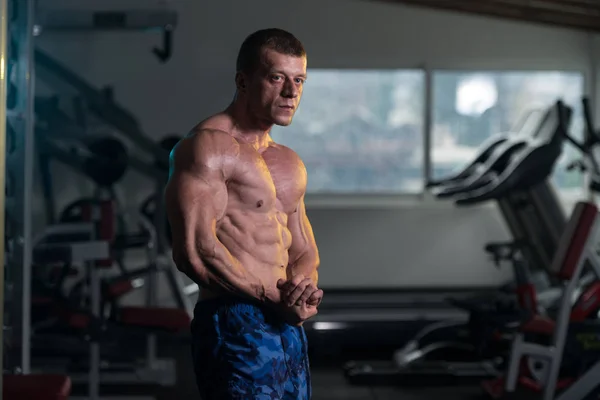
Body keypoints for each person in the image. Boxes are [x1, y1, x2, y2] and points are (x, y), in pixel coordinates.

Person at [165, 28, 323, 399]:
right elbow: (195, 251)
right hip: (234, 318)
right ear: (243, 81)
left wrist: (302, 291)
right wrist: (271, 299)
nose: (291, 92)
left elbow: (301, 248)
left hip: (287, 325)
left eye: (299, 80)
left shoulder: (289, 162)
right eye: (276, 78)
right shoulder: (207, 147)